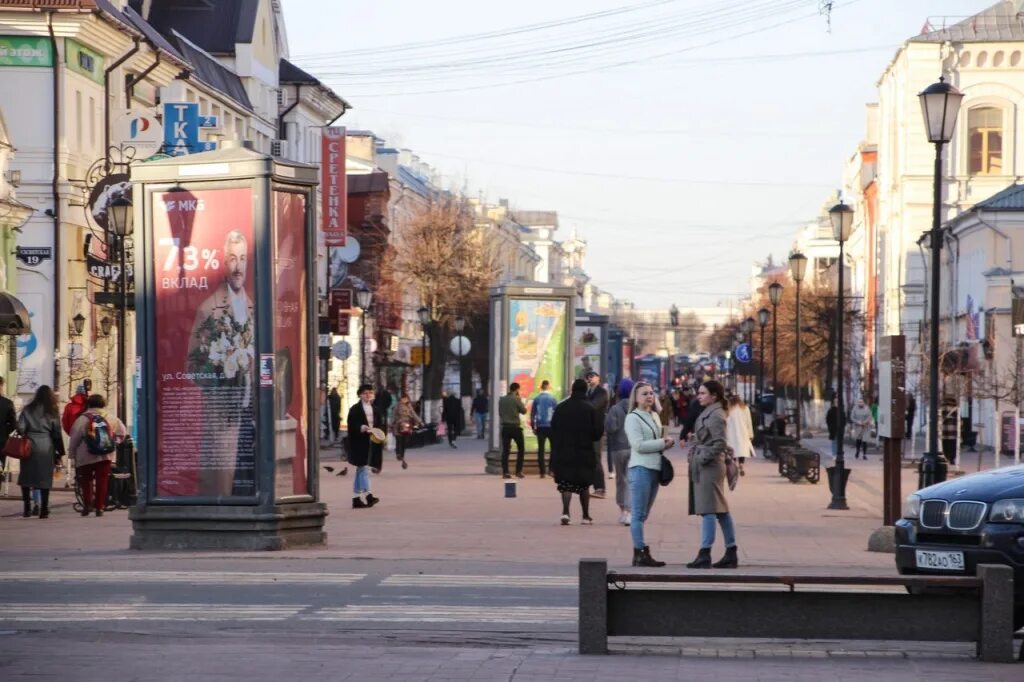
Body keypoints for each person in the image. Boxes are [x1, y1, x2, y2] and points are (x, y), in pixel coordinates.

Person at [186, 229, 255, 497]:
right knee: (223, 485)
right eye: (231, 259)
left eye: (242, 258)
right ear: (223, 264)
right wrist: (222, 376)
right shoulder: (209, 309)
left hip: (251, 413)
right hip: (224, 414)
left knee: (247, 485)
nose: (238, 267)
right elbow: (192, 366)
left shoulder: (253, 307)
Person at [685, 380, 738, 569]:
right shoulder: (710, 412)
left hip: (710, 466)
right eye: (699, 393)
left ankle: (704, 552)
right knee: (720, 510)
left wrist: (701, 457)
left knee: (708, 509)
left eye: (702, 393)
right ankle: (731, 551)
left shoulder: (716, 415)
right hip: (708, 464)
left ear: (713, 396)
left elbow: (719, 444)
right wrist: (696, 439)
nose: (699, 396)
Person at [625, 381, 674, 567]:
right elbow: (637, 445)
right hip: (640, 468)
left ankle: (641, 551)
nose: (649, 396)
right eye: (644, 393)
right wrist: (662, 443)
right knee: (637, 514)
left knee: (644, 514)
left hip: (654, 468)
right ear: (636, 398)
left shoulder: (653, 415)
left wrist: (666, 442)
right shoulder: (632, 418)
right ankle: (640, 552)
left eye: (651, 393)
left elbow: (657, 438)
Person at [550, 379, 604, 525]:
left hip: (564, 451)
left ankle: (565, 512)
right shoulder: (590, 408)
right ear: (585, 390)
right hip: (584, 451)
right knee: (583, 484)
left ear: (572, 390)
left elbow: (553, 429)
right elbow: (597, 432)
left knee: (566, 482)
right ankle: (585, 516)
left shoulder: (561, 408)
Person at [68, 394, 127, 517]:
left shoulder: (82, 419)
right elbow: (122, 432)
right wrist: (114, 443)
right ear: (103, 404)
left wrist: (72, 453)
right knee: (102, 480)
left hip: (85, 454)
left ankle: (87, 505)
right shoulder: (111, 417)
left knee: (86, 479)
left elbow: (74, 438)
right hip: (105, 454)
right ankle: (100, 507)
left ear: (89, 404)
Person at [17, 385, 65, 519]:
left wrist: (26, 434)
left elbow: (20, 427)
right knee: (44, 478)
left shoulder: (27, 409)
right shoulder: (52, 411)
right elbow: (56, 433)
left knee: (26, 477)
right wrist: (60, 452)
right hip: (46, 445)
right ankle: (44, 509)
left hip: (29, 446)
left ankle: (27, 508)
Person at [346, 384, 385, 508]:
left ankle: (356, 498)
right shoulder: (355, 409)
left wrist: (380, 434)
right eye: (365, 393)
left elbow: (380, 425)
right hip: (359, 442)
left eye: (370, 393)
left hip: (372, 441)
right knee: (364, 468)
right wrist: (361, 427)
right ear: (360, 395)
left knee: (361, 469)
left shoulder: (376, 409)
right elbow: (351, 424)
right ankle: (369, 495)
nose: (368, 395)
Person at [604, 377, 634, 525]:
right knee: (630, 479)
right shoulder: (636, 408)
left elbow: (611, 428)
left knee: (620, 479)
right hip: (634, 448)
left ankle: (622, 510)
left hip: (618, 448)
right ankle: (629, 511)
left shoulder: (614, 409)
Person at [584, 370, 609, 498]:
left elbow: (593, 406)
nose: (590, 378)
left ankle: (600, 488)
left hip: (597, 430)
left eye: (592, 376)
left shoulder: (602, 392)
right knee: (589, 459)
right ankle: (591, 486)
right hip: (587, 430)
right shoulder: (587, 392)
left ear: (598, 378)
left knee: (596, 458)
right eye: (588, 377)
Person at [498, 383, 527, 479]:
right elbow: (524, 411)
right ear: (517, 389)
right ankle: (518, 471)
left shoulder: (502, 400)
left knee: (505, 451)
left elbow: (500, 413)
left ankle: (505, 472)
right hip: (515, 427)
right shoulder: (516, 399)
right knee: (521, 449)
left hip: (505, 427)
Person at [530, 380, 557, 478]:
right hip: (551, 427)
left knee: (541, 449)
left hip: (540, 426)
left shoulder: (536, 399)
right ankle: (551, 470)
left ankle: (542, 472)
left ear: (541, 387)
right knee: (553, 449)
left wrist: (533, 426)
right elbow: (556, 413)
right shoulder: (553, 399)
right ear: (548, 387)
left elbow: (533, 414)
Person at [725, 394, 754, 476]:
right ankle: (741, 464)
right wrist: (750, 433)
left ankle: (733, 466)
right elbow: (749, 422)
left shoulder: (729, 409)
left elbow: (726, 421)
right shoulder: (745, 408)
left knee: (733, 450)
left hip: (731, 433)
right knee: (741, 450)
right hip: (743, 432)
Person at [392, 393, 422, 469]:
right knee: (399, 440)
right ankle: (398, 453)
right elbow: (393, 415)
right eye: (403, 398)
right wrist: (392, 423)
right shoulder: (397, 406)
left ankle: (402, 455)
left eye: (406, 398)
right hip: (398, 425)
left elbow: (414, 414)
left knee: (404, 441)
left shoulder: (409, 406)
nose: (404, 400)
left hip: (407, 425)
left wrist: (420, 422)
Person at [0, 376, 18, 473]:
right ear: (1, 386)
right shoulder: (7, 403)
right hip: (2, 440)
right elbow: (13, 424)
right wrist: (5, 432)